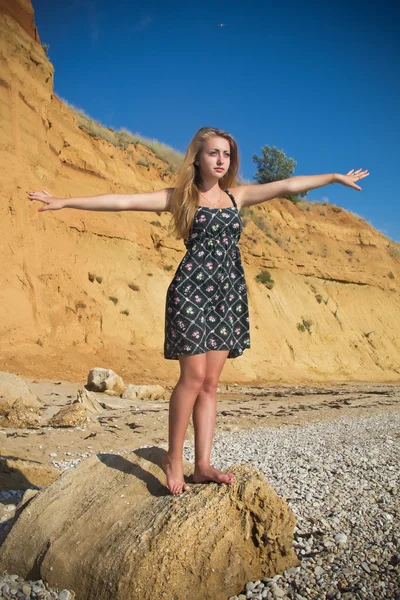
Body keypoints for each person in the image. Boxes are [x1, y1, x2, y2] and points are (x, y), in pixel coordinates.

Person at [28, 126, 369, 495]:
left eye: (226, 154)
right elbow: (123, 201)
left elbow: (288, 185)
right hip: (191, 292)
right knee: (191, 379)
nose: (221, 160)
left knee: (210, 384)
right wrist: (66, 200)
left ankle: (203, 464)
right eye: (213, 153)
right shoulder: (182, 198)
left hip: (228, 295)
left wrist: (334, 177)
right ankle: (174, 458)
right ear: (198, 158)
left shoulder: (238, 197)